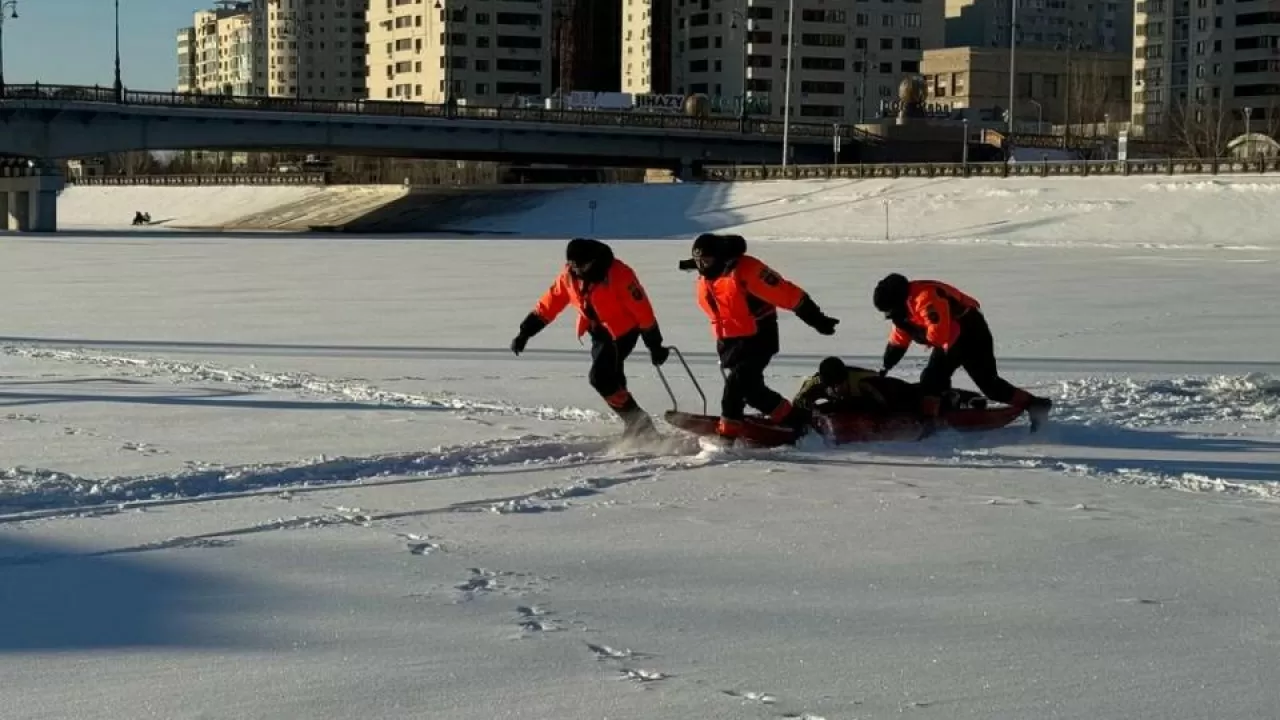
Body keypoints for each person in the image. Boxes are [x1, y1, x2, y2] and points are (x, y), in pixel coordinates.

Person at [510, 238, 669, 439]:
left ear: (593, 260)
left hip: (622, 332)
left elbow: (642, 310)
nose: (577, 270)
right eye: (573, 265)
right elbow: (549, 304)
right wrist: (526, 332)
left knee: (600, 378)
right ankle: (634, 424)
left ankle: (640, 424)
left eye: (581, 266)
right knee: (613, 378)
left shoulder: (619, 274)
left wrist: (654, 344)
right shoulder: (569, 275)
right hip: (598, 333)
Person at [685, 232, 840, 439]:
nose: (703, 266)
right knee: (751, 391)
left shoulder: (747, 270)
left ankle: (727, 437)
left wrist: (817, 319)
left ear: (721, 256)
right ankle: (796, 420)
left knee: (735, 386)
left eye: (707, 261)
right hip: (730, 341)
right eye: (699, 262)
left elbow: (787, 294)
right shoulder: (708, 276)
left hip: (759, 337)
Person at [871, 273, 1052, 429]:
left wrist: (914, 332)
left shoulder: (926, 297)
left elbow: (939, 334)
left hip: (970, 332)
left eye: (890, 310)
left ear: (899, 300)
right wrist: (886, 366)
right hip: (953, 336)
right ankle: (941, 409)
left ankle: (929, 424)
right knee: (937, 379)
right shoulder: (903, 311)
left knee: (940, 378)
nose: (890, 315)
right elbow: (899, 339)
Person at [793, 356, 988, 415]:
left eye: (840, 385)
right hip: (864, 399)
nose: (836, 390)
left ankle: (957, 398)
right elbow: (799, 401)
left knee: (917, 398)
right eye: (832, 387)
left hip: (890, 391)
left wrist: (836, 408)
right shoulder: (816, 383)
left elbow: (883, 409)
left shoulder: (865, 382)